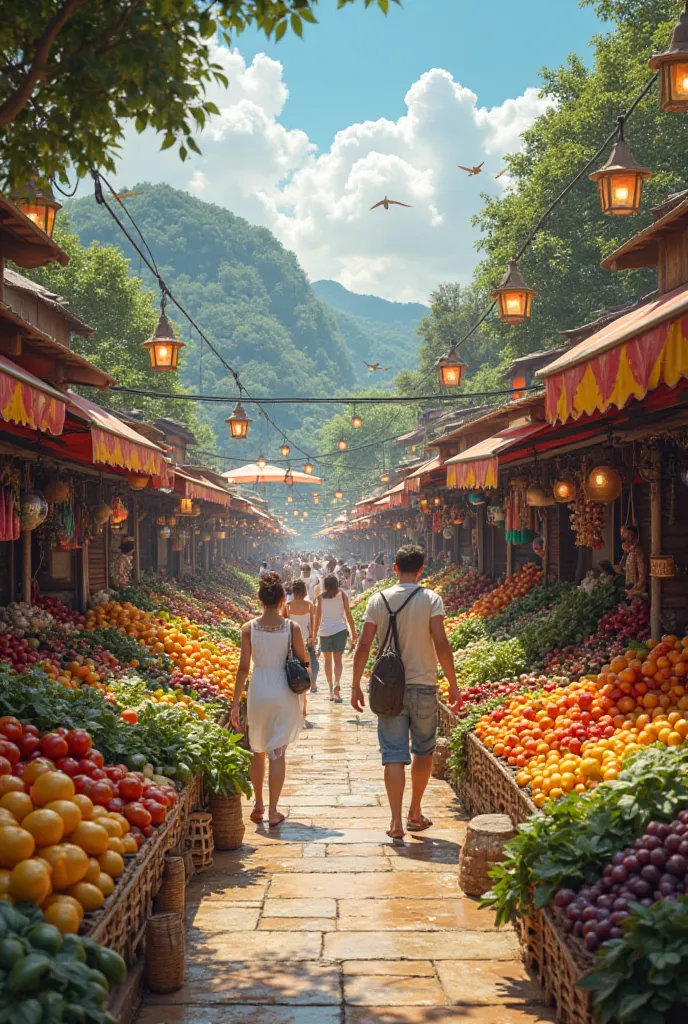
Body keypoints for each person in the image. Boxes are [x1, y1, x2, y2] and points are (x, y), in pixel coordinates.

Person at [351, 545, 462, 841]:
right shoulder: (431, 599)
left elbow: (363, 646)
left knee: (393, 755)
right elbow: (441, 643)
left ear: (395, 569)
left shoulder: (378, 599)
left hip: (388, 689)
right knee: (423, 751)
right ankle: (415, 811)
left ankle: (395, 822)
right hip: (424, 685)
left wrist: (354, 684)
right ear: (422, 569)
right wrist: (452, 683)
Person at [230, 572, 308, 827]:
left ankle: (258, 805)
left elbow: (243, 668)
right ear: (282, 600)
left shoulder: (248, 628)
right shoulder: (291, 628)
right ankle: (274, 810)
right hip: (283, 690)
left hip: (259, 689)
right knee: (278, 752)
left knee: (257, 748)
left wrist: (234, 704)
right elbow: (304, 660)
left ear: (259, 599)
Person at [314, 573, 358, 703]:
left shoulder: (320, 598)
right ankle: (337, 685)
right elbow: (348, 614)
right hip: (340, 630)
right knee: (338, 660)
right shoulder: (342, 595)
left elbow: (317, 617)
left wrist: (314, 634)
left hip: (325, 631)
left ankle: (330, 689)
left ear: (325, 585)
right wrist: (353, 632)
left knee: (327, 660)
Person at [287, 579, 319, 706]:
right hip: (305, 640)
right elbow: (312, 625)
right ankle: (312, 684)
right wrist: (312, 638)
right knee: (307, 665)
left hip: (291, 641)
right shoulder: (309, 605)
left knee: (294, 667)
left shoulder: (288, 605)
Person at [616, 524, 648, 599]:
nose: (628, 540)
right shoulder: (630, 552)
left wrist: (632, 591)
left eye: (631, 536)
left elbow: (642, 579)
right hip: (629, 585)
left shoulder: (638, 552)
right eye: (626, 537)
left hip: (636, 588)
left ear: (635, 537)